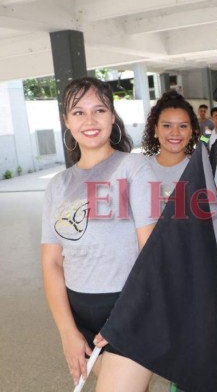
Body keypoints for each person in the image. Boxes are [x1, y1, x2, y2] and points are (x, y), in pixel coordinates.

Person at [41, 77, 157, 390]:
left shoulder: (134, 168)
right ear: (66, 120)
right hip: (79, 319)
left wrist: (125, 316)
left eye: (99, 110)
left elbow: (152, 255)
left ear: (112, 117)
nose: (89, 120)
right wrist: (68, 332)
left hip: (131, 312)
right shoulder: (58, 185)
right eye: (78, 112)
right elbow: (52, 263)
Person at [141, 90, 201, 211]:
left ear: (191, 131)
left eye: (183, 126)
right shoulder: (140, 169)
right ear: (156, 130)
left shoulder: (204, 168)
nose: (175, 133)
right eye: (167, 126)